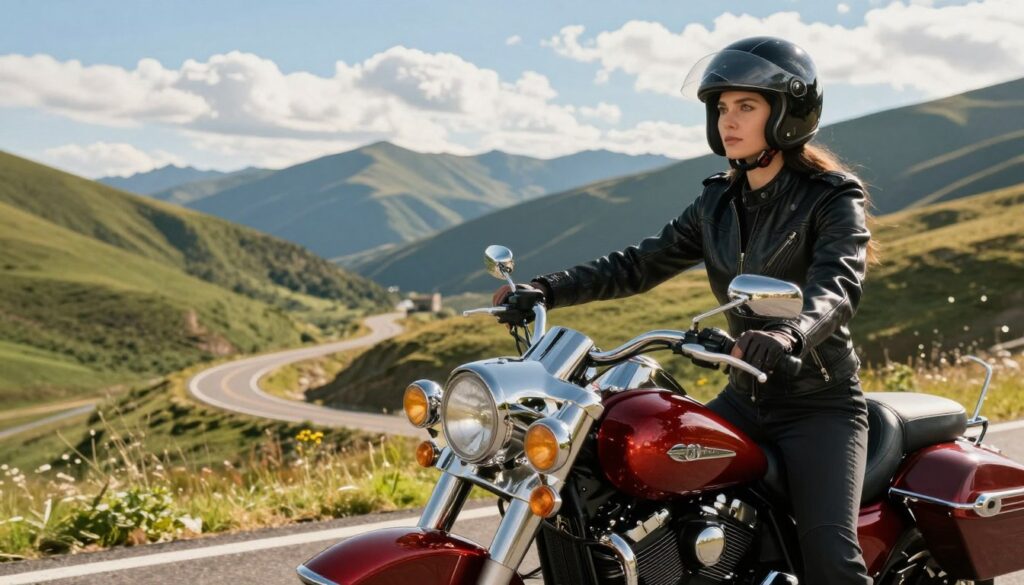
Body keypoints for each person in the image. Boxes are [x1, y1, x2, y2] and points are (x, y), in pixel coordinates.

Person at [493, 37, 873, 585]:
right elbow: (639, 264)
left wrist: (791, 331)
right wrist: (547, 289)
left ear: (787, 115)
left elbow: (837, 285)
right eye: (722, 108)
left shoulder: (832, 197)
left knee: (831, 562)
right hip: (744, 400)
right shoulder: (719, 200)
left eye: (747, 106)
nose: (728, 121)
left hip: (818, 407)